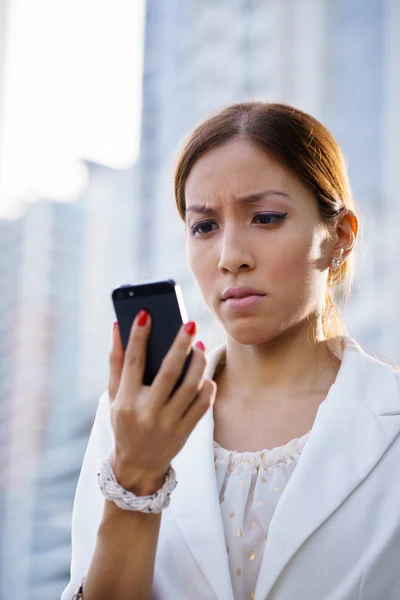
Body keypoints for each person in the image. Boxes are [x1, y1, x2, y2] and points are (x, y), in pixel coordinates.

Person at [61, 102, 400, 600]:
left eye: (265, 217)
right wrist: (134, 478)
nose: (230, 257)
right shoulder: (133, 418)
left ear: (340, 238)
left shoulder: (389, 418)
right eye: (204, 226)